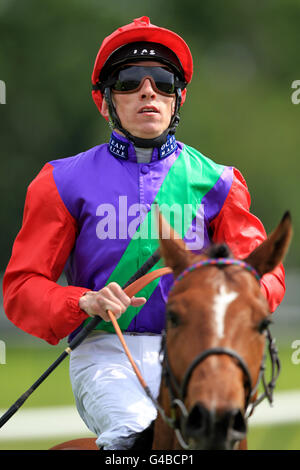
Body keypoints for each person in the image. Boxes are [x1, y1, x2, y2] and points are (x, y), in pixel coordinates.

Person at [3, 16, 286, 450]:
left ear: (179, 98)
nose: (148, 91)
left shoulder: (221, 182)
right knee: (133, 440)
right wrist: (83, 300)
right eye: (129, 81)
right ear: (105, 103)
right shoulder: (60, 181)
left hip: (196, 351)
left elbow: (267, 275)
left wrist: (233, 302)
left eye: (163, 82)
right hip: (106, 353)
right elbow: (21, 290)